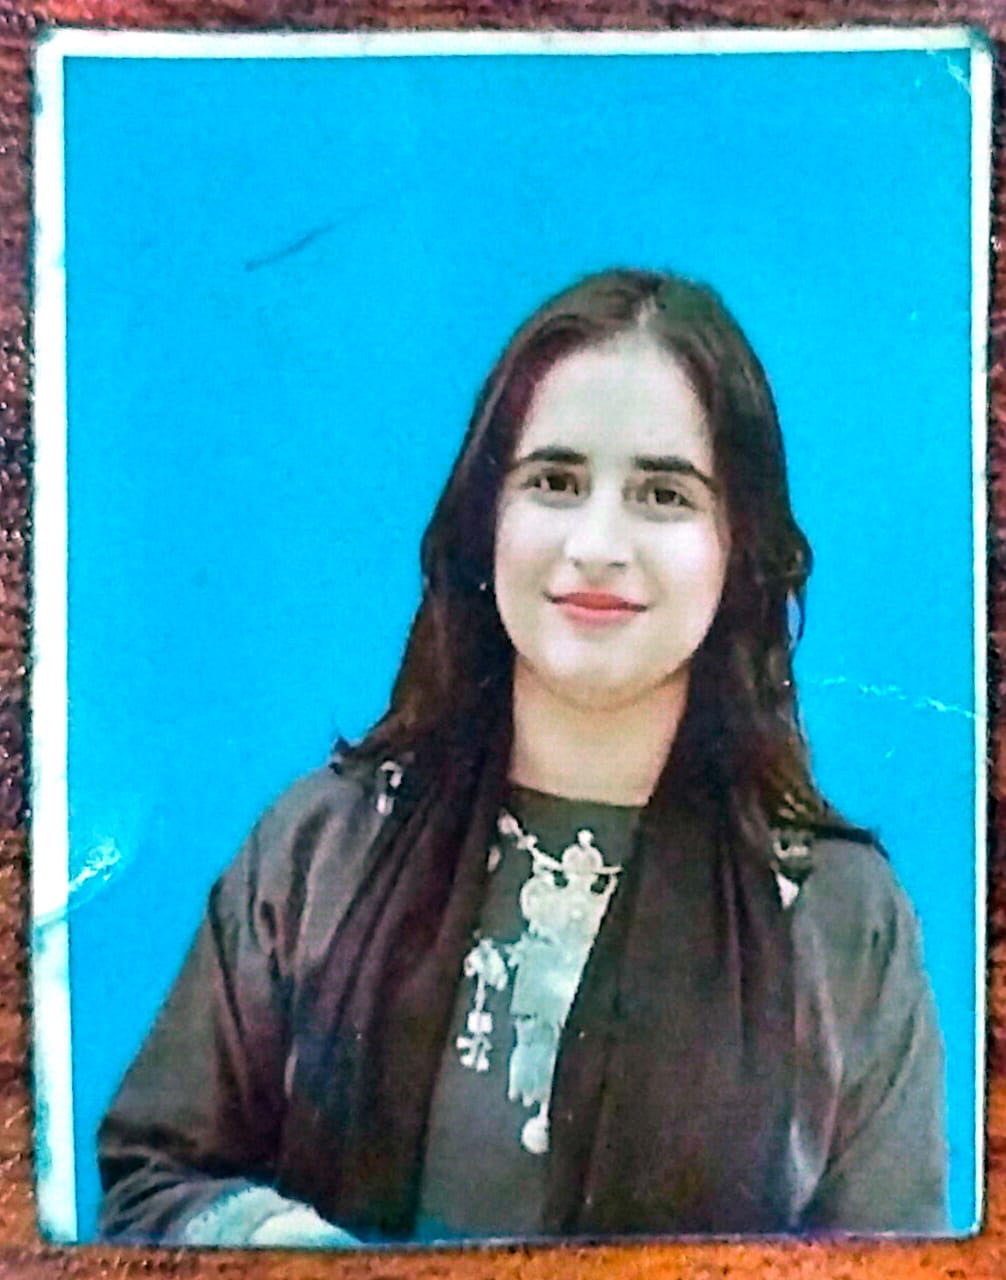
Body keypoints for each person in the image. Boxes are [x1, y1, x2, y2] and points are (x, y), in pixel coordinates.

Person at [97, 268, 948, 1246]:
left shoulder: (841, 918)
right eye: (554, 481)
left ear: (737, 546)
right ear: (485, 518)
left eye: (663, 493)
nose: (597, 543)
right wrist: (281, 1248)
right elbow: (148, 1181)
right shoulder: (318, 851)